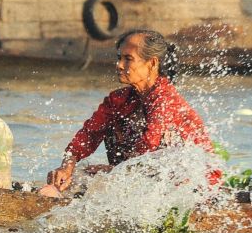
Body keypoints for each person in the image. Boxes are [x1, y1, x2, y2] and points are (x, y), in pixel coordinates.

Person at [44, 30, 214, 197]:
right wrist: (67, 165)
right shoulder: (118, 100)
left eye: (128, 59)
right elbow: (89, 134)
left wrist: (112, 172)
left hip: (189, 188)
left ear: (152, 63)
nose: (119, 65)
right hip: (138, 178)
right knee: (72, 178)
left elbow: (149, 147)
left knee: (94, 179)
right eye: (119, 58)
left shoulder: (165, 99)